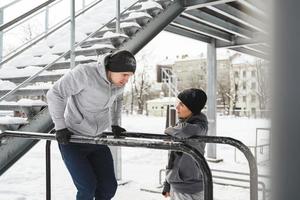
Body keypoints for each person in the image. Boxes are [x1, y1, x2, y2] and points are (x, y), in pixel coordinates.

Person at [46, 50, 136, 200]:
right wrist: (60, 127)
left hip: (97, 140)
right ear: (112, 69)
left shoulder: (118, 83)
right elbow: (55, 93)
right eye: (124, 74)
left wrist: (114, 123)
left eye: (130, 76)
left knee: (108, 188)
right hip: (73, 140)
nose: (126, 80)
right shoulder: (85, 73)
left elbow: (118, 100)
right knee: (87, 188)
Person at [162, 88, 208, 200]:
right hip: (176, 185)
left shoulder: (199, 125)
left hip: (191, 189)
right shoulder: (181, 124)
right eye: (178, 103)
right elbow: (172, 157)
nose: (177, 107)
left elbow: (185, 131)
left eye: (181, 105)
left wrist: (169, 129)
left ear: (192, 108)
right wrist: (167, 184)